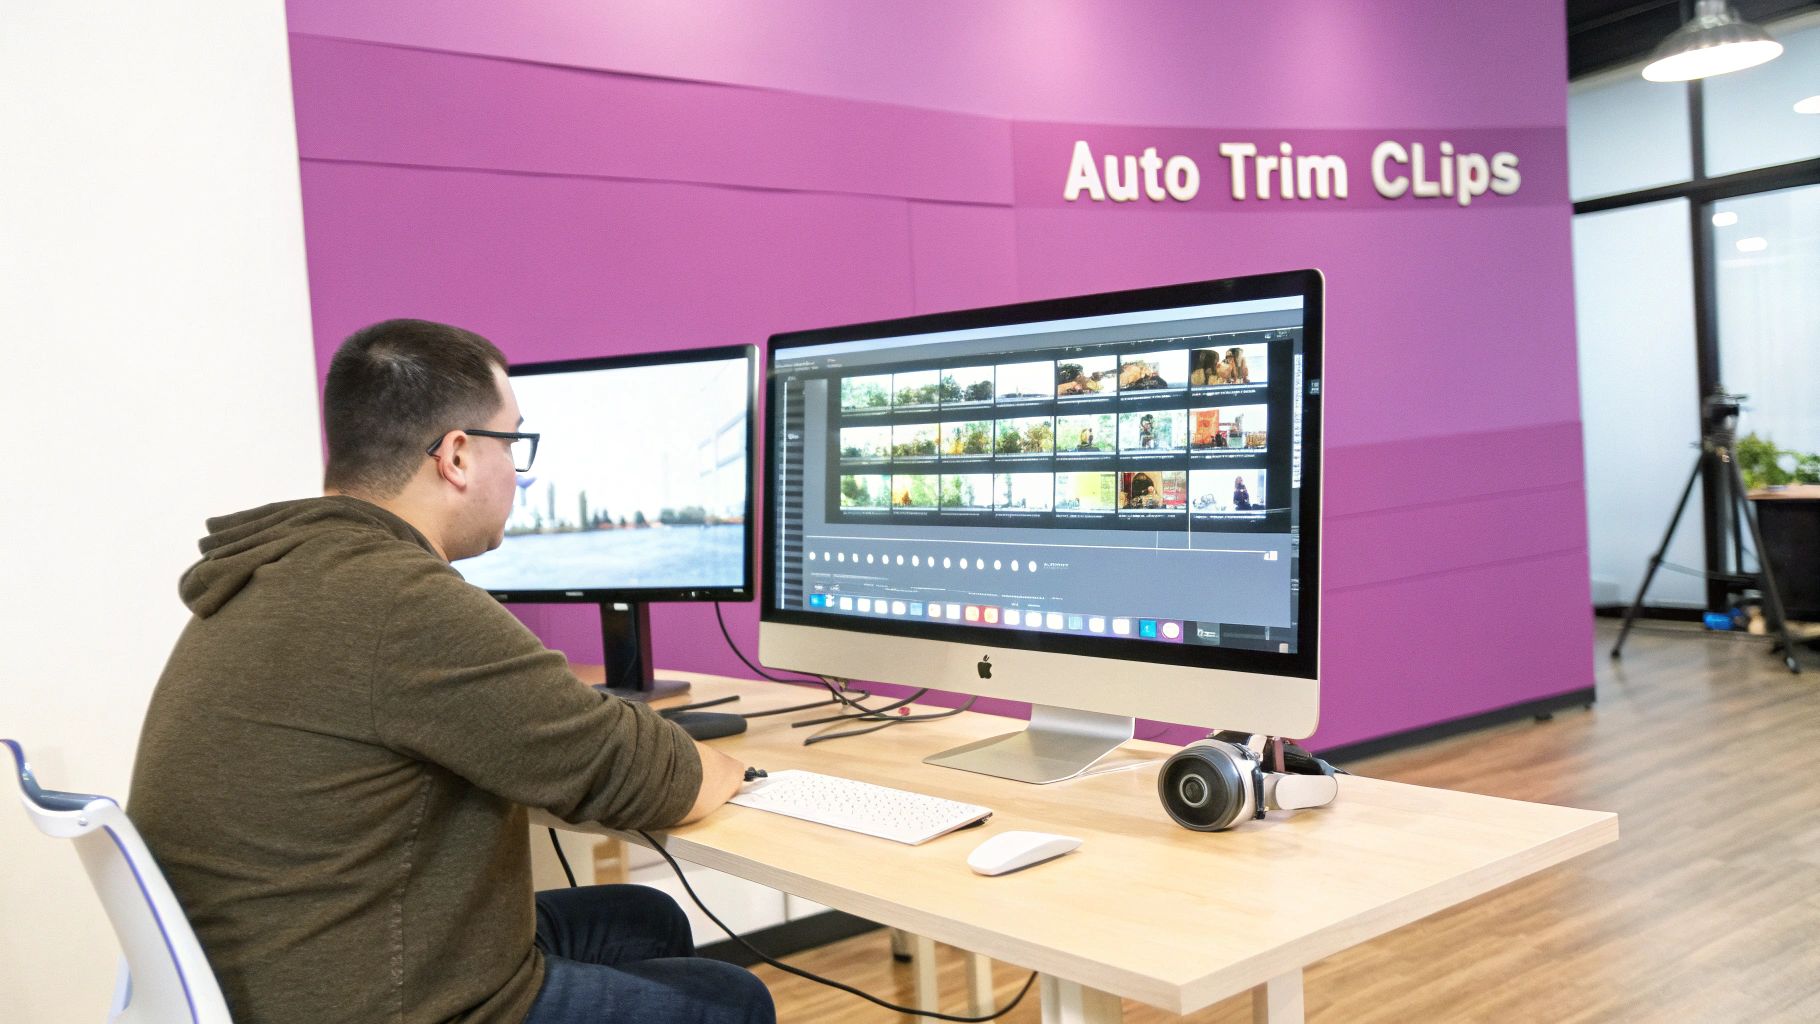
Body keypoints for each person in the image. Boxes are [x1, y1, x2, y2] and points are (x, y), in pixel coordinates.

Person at [127, 320, 769, 1024]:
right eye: (515, 443)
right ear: (458, 455)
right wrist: (736, 768)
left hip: (284, 969)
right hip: (371, 1002)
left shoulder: (277, 570)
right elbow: (648, 777)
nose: (520, 472)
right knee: (733, 1001)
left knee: (641, 918)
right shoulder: (397, 600)